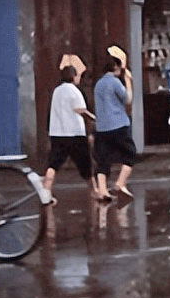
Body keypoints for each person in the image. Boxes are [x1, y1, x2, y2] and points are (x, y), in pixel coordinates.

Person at [42, 64, 97, 204]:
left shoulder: (57, 91)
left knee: (53, 164)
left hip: (57, 133)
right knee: (85, 164)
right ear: (73, 76)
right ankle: (94, 191)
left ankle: (46, 192)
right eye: (77, 75)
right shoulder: (74, 91)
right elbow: (80, 110)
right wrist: (93, 117)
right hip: (74, 133)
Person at [93, 47, 137, 202]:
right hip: (118, 125)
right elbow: (128, 99)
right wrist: (128, 81)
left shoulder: (98, 84)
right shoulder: (114, 82)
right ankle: (120, 183)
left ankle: (103, 191)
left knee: (102, 159)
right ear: (115, 67)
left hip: (101, 127)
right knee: (130, 154)